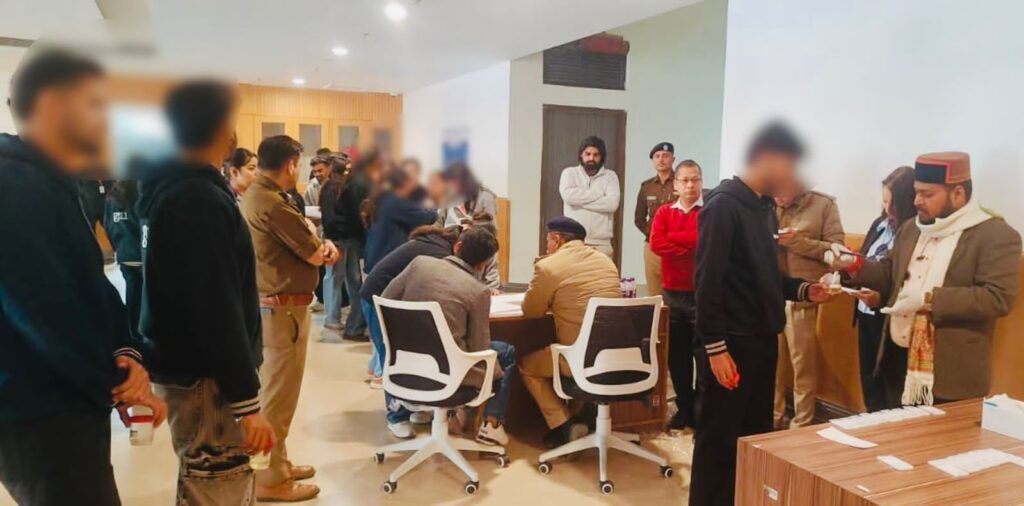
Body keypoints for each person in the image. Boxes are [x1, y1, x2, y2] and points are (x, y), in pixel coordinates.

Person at [0, 47, 165, 506]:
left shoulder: (51, 181)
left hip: (65, 401)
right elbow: (44, 313)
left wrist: (125, 351)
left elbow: (89, 284)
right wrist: (118, 380)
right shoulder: (15, 186)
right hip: (40, 411)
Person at [137, 80, 276, 506]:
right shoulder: (196, 198)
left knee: (207, 481)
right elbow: (215, 307)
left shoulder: (172, 187)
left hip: (192, 371)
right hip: (206, 380)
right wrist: (246, 403)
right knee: (217, 486)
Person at [690, 122, 834, 506]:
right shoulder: (723, 207)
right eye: (789, 165)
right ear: (768, 158)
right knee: (719, 443)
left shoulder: (764, 208)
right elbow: (707, 283)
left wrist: (804, 289)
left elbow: (765, 276)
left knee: (754, 439)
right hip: (731, 345)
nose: (792, 176)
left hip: (761, 341)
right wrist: (715, 348)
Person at [828, 152, 1021, 407]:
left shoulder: (994, 235)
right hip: (897, 358)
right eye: (917, 192)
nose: (917, 201)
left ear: (958, 194)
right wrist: (853, 264)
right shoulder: (912, 228)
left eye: (927, 194)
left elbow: (997, 297)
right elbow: (889, 273)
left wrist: (928, 299)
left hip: (949, 370)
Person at [240, 135, 339, 501]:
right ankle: (270, 480)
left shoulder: (257, 195)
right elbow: (316, 254)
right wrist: (323, 245)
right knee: (277, 401)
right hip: (282, 312)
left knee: (277, 395)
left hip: (275, 307)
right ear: (291, 165)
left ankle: (278, 464)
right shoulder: (272, 203)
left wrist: (316, 241)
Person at [381, 228, 515, 446]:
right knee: (505, 352)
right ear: (482, 265)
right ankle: (491, 425)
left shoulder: (419, 265)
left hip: (404, 366)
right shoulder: (477, 291)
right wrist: (495, 374)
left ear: (457, 246)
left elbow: (386, 299)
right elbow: (479, 349)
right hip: (449, 375)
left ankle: (435, 413)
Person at [520, 216, 622, 449]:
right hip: (615, 356)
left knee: (527, 365)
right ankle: (582, 417)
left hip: (579, 359)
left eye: (548, 241)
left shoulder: (549, 266)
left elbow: (531, 310)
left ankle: (565, 425)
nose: (547, 246)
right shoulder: (606, 261)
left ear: (557, 239)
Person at [772, 179, 845, 429]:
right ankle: (772, 419)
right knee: (770, 363)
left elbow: (839, 254)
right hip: (771, 294)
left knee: (802, 366)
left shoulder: (823, 205)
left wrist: (798, 242)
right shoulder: (765, 204)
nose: (778, 197)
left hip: (805, 297)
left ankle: (801, 424)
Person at [848, 166, 916, 412]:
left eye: (892, 203)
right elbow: (865, 258)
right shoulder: (879, 224)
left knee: (892, 386)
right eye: (884, 202)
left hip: (891, 319)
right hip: (865, 313)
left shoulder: (912, 231)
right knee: (869, 382)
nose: (887, 209)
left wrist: (881, 297)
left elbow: (903, 279)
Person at [648, 159, 704, 431]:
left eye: (695, 180)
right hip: (672, 294)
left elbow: (704, 240)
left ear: (701, 183)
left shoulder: (710, 212)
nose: (690, 185)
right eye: (685, 180)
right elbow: (656, 242)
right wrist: (689, 246)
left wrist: (675, 239)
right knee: (677, 359)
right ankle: (685, 410)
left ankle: (702, 413)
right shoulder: (664, 212)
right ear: (676, 185)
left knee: (704, 359)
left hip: (701, 296)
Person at [324, 150, 381, 339]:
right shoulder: (349, 186)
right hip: (348, 240)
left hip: (347, 239)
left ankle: (342, 321)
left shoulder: (347, 185)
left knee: (345, 281)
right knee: (350, 282)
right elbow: (347, 217)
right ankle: (349, 325)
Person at [363, 168, 438, 273]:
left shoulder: (383, 198)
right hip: (384, 263)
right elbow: (425, 217)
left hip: (375, 259)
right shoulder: (395, 202)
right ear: (404, 184)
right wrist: (434, 208)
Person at [558, 136, 621, 257]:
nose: (591, 158)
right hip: (573, 241)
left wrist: (579, 202)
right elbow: (568, 196)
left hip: (602, 244)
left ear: (602, 157)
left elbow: (612, 204)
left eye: (596, 155)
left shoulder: (611, 176)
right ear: (581, 155)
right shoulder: (569, 173)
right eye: (587, 154)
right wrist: (598, 194)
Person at [636, 142, 677, 297]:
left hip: (675, 246)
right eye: (657, 156)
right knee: (655, 294)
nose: (661, 159)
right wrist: (653, 234)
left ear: (673, 159)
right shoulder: (646, 187)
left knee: (675, 293)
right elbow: (639, 218)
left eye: (666, 156)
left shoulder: (681, 183)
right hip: (652, 247)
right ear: (653, 160)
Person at [104, 179, 144, 338]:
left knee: (132, 295)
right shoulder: (141, 195)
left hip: (124, 255)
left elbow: (108, 225)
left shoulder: (111, 198)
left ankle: (133, 333)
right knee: (146, 298)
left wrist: (117, 248)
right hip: (141, 255)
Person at [440, 161, 497, 228]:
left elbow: (492, 227)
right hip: (453, 232)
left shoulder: (486, 196)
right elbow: (440, 219)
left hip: (479, 232)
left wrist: (474, 223)